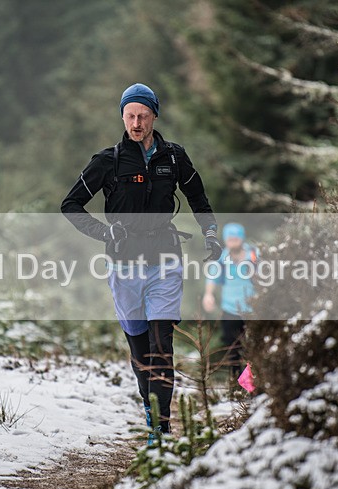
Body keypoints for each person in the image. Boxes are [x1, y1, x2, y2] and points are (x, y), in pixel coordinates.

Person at [61, 83, 221, 438]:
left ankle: (162, 428)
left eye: (143, 116)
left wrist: (210, 234)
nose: (136, 123)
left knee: (162, 345)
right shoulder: (109, 161)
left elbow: (198, 198)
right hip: (123, 265)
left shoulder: (174, 157)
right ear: (122, 116)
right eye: (130, 115)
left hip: (165, 260)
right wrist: (105, 233)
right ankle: (150, 409)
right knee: (140, 349)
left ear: (154, 117)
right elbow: (70, 205)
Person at [202, 222, 257, 385]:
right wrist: (208, 295)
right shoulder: (222, 257)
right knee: (232, 348)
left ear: (241, 239)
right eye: (230, 239)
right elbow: (212, 276)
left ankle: (253, 384)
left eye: (235, 239)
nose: (233, 242)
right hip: (230, 309)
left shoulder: (253, 255)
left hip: (253, 309)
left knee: (253, 348)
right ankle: (236, 383)